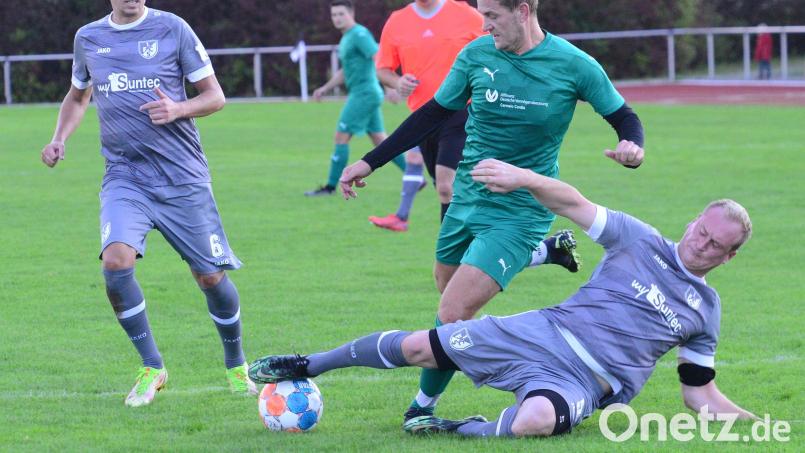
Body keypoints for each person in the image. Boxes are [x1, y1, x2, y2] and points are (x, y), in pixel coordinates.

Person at [249, 158, 756, 437]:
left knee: (534, 421)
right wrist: (524, 178)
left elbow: (699, 395)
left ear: (729, 258)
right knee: (423, 346)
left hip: (585, 380)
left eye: (716, 245)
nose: (701, 244)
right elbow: (573, 202)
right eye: (701, 230)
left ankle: (458, 430)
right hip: (542, 331)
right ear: (694, 220)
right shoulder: (638, 238)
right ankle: (308, 365)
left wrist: (762, 426)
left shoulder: (704, 312)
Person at [339, 0, 645, 422]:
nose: (483, 26)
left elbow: (624, 117)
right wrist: (369, 161)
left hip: (522, 209)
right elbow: (432, 114)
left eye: (492, 17)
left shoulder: (574, 64)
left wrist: (632, 147)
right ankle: (543, 260)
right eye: (482, 15)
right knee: (444, 291)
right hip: (466, 199)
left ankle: (421, 409)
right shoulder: (477, 55)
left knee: (453, 312)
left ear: (523, 11)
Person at [40, 0, 256, 407]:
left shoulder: (173, 28)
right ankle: (152, 367)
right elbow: (77, 96)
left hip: (181, 178)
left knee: (209, 277)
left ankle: (236, 365)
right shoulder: (88, 38)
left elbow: (215, 97)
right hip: (125, 177)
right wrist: (59, 138)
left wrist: (179, 108)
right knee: (115, 262)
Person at [367, 0, 485, 231]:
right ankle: (475, 242)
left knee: (445, 184)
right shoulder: (397, 21)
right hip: (423, 118)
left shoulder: (468, 15)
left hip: (463, 111)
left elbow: (496, 52)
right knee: (447, 188)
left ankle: (450, 255)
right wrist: (397, 81)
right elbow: (383, 69)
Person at [305, 0, 405, 196]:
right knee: (380, 140)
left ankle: (330, 187)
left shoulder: (359, 34)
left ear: (351, 13)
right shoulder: (347, 38)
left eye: (341, 14)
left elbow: (379, 57)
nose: (337, 18)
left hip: (364, 94)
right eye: (334, 15)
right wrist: (325, 88)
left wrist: (389, 86)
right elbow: (345, 71)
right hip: (365, 94)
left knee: (341, 137)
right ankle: (414, 176)